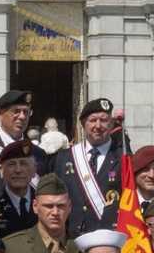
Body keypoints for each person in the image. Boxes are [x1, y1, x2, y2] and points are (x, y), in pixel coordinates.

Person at [54, 97, 126, 235]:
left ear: (111, 124)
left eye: (104, 120)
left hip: (109, 238)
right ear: (83, 124)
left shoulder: (123, 159)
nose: (98, 126)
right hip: (72, 238)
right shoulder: (64, 158)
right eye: (92, 120)